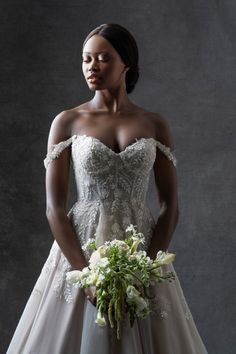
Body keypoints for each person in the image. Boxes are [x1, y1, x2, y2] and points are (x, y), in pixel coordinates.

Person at [7, 23, 208, 353]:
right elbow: (54, 208)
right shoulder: (67, 121)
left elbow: (170, 206)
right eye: (86, 59)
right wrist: (84, 274)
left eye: (103, 58)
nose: (92, 67)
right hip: (81, 247)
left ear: (125, 64)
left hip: (140, 248)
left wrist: (147, 268)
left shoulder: (154, 123)